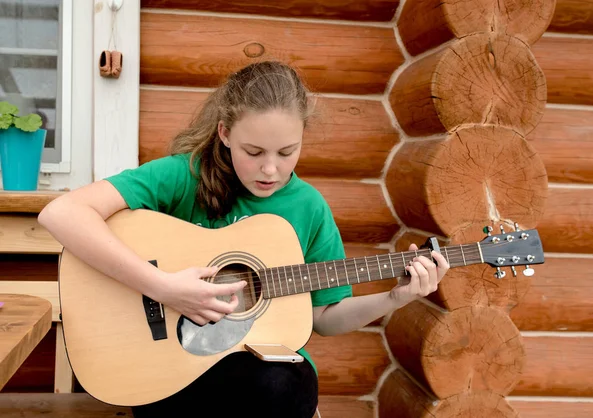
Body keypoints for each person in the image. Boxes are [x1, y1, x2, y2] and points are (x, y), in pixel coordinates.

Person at [38, 60, 449, 418]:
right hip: (168, 366)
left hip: (261, 374)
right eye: (253, 151)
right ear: (224, 133)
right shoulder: (185, 174)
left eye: (287, 152)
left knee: (284, 389)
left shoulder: (308, 207)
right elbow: (61, 213)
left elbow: (324, 317)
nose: (270, 169)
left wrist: (395, 299)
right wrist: (164, 288)